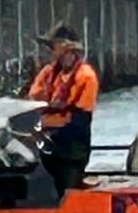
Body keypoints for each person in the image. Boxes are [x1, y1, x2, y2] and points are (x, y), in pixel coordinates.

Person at [24, 22, 99, 192]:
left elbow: (79, 120)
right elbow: (32, 100)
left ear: (68, 49)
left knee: (66, 190)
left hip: (72, 149)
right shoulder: (48, 73)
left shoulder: (85, 76)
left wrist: (47, 128)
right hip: (47, 145)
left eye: (53, 47)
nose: (51, 52)